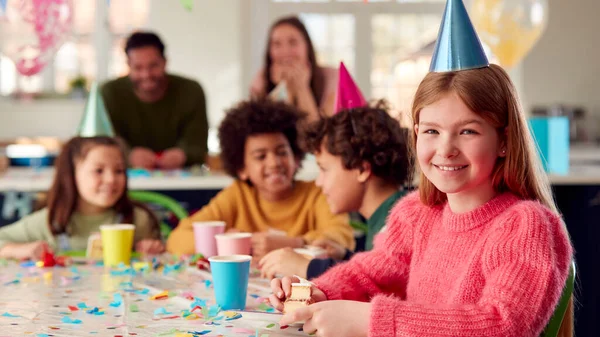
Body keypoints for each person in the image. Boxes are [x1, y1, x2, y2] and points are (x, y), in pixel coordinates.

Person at [269, 1, 573, 336]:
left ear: (503, 140)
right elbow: (370, 274)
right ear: (416, 134)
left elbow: (501, 326)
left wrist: (371, 320)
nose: (446, 149)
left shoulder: (526, 226)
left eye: (468, 131)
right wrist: (319, 290)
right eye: (431, 131)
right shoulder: (417, 214)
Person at [166, 100, 354, 259]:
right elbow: (177, 239)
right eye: (260, 156)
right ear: (242, 168)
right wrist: (223, 241)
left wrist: (295, 243)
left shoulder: (316, 194)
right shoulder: (237, 195)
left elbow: (341, 238)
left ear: (296, 158)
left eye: (282, 152)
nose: (274, 162)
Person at [259, 101, 410, 279]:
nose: (318, 182)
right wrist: (344, 257)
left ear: (361, 169)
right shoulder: (387, 215)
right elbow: (378, 269)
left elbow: (377, 286)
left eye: (324, 169)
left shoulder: (398, 223)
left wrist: (308, 267)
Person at [0, 137, 164, 260]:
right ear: (72, 175)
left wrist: (153, 249)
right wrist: (22, 250)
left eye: (119, 171)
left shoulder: (138, 220)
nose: (111, 179)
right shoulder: (50, 221)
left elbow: (164, 257)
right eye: (99, 171)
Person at [102, 31, 208, 170]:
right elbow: (103, 139)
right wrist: (129, 155)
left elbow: (198, 143)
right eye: (138, 67)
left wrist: (182, 155)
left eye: (153, 66)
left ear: (165, 62)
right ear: (128, 65)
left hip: (182, 179)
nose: (146, 74)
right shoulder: (109, 92)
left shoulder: (191, 90)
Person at [250, 16, 338, 123]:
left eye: (293, 42)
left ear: (307, 46)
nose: (285, 51)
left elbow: (319, 135)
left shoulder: (332, 78)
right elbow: (267, 129)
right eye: (277, 44)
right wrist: (283, 88)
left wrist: (301, 88)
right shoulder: (261, 80)